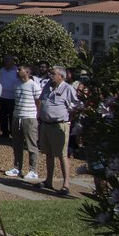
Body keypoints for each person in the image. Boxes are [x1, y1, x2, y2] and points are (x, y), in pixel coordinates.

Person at [38, 65, 80, 195]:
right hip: (45, 124)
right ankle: (48, 180)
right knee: (48, 153)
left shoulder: (68, 89)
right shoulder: (47, 86)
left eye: (53, 73)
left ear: (61, 76)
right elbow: (41, 100)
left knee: (62, 155)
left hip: (59, 125)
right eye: (50, 73)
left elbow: (76, 106)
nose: (50, 75)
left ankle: (66, 184)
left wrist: (69, 120)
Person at [5, 65, 40, 182]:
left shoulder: (34, 85)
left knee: (31, 145)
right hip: (17, 116)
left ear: (27, 72)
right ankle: (17, 167)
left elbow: (38, 101)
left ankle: (33, 170)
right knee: (16, 144)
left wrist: (36, 115)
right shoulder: (16, 84)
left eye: (20, 69)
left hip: (29, 117)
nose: (17, 71)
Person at [0, 55, 19, 138]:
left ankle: (13, 133)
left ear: (13, 61)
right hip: (2, 97)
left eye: (8, 59)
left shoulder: (17, 71)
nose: (6, 61)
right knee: (2, 116)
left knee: (12, 117)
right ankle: (4, 133)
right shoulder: (1, 70)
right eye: (5, 59)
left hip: (12, 98)